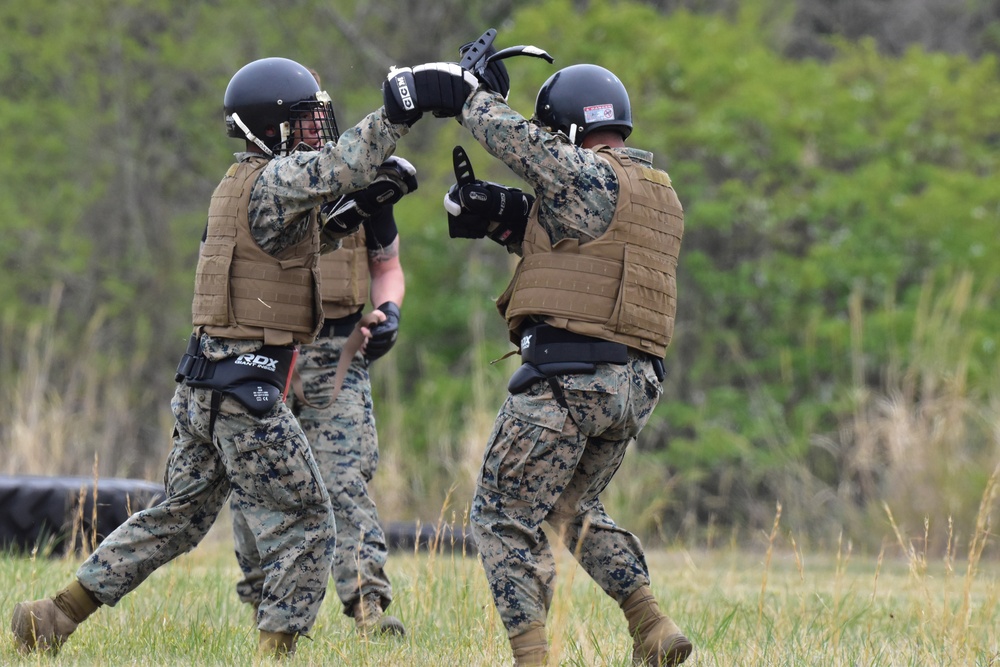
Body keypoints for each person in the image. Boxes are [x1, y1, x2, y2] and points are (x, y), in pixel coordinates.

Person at [9, 54, 473, 657]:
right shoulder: (275, 181)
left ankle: (53, 614)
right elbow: (341, 164)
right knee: (310, 520)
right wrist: (399, 109)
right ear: (271, 125)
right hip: (246, 390)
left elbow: (281, 250)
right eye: (303, 121)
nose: (314, 130)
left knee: (175, 516)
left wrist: (350, 218)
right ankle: (273, 653)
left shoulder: (239, 183)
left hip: (205, 381)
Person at [434, 53, 692, 666]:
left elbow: (524, 147)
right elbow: (586, 251)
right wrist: (502, 217)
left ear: (568, 130)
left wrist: (466, 96)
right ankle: (651, 626)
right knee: (569, 505)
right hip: (631, 388)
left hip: (569, 380)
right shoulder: (657, 194)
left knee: (501, 513)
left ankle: (532, 659)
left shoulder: (583, 174)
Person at [230, 186, 409, 638]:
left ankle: (368, 608)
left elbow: (386, 265)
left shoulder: (366, 191)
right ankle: (265, 608)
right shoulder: (256, 187)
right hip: (264, 348)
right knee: (255, 481)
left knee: (343, 479)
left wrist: (389, 310)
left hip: (336, 350)